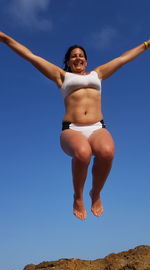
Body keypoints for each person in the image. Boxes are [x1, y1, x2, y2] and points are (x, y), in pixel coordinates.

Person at [0, 32, 149, 220]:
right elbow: (31, 57)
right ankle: (78, 196)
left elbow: (122, 59)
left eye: (81, 55)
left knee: (107, 152)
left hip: (97, 127)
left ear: (86, 60)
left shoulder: (98, 74)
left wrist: (146, 44)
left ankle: (95, 193)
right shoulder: (62, 76)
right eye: (73, 56)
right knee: (83, 153)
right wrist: (5, 39)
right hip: (72, 129)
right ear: (68, 62)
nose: (77, 57)